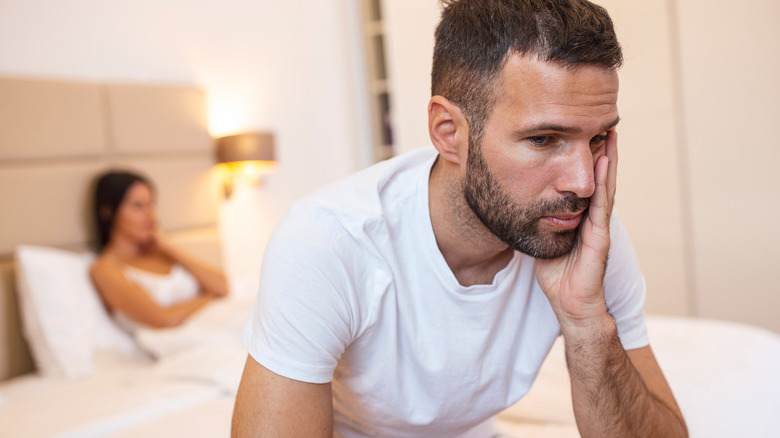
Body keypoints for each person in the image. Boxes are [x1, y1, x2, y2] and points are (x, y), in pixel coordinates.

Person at [233, 0, 688, 436]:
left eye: (596, 139)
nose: (584, 184)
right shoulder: (327, 243)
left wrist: (587, 320)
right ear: (449, 133)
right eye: (544, 139)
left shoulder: (585, 233)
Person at [89, 171, 228, 332]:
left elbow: (223, 286)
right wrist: (209, 297)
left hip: (217, 325)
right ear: (107, 211)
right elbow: (164, 319)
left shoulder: (161, 253)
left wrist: (169, 248)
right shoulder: (106, 269)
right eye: (138, 206)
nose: (150, 215)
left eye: (151, 204)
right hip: (185, 342)